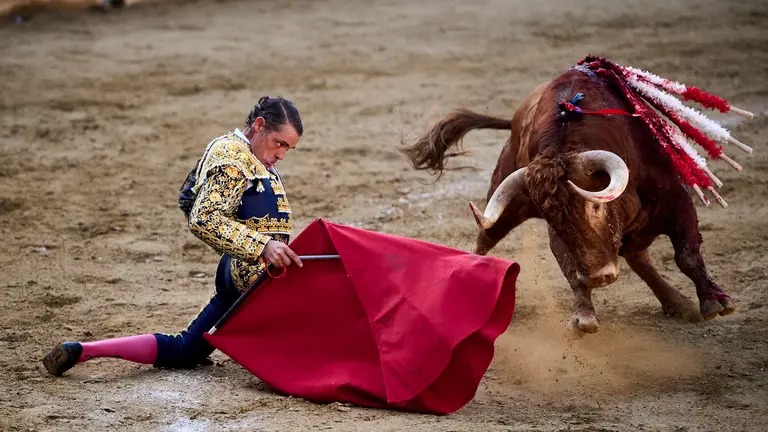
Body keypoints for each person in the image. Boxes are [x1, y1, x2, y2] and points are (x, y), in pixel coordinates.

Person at [42, 96, 305, 375]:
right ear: (259, 126)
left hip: (242, 275)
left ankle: (83, 350)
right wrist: (262, 245)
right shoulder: (233, 156)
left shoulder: (246, 154)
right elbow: (204, 218)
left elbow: (190, 200)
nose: (281, 155)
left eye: (289, 148)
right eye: (280, 143)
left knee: (186, 350)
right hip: (250, 277)